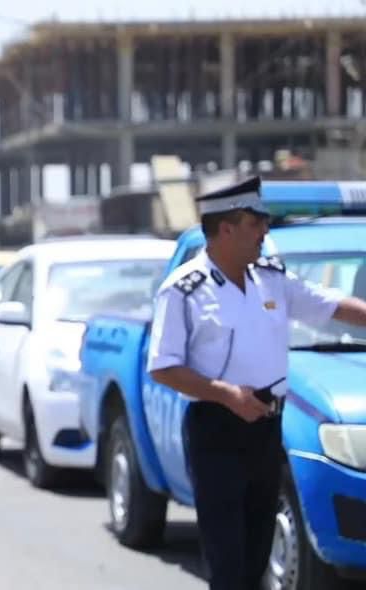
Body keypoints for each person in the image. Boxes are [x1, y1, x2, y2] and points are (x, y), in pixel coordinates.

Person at [146, 176, 366, 590]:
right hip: (217, 430)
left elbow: (329, 305)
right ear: (226, 229)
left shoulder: (270, 278)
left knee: (256, 558)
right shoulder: (184, 291)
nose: (265, 231)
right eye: (256, 223)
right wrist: (225, 394)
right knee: (228, 563)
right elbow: (163, 366)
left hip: (266, 429)